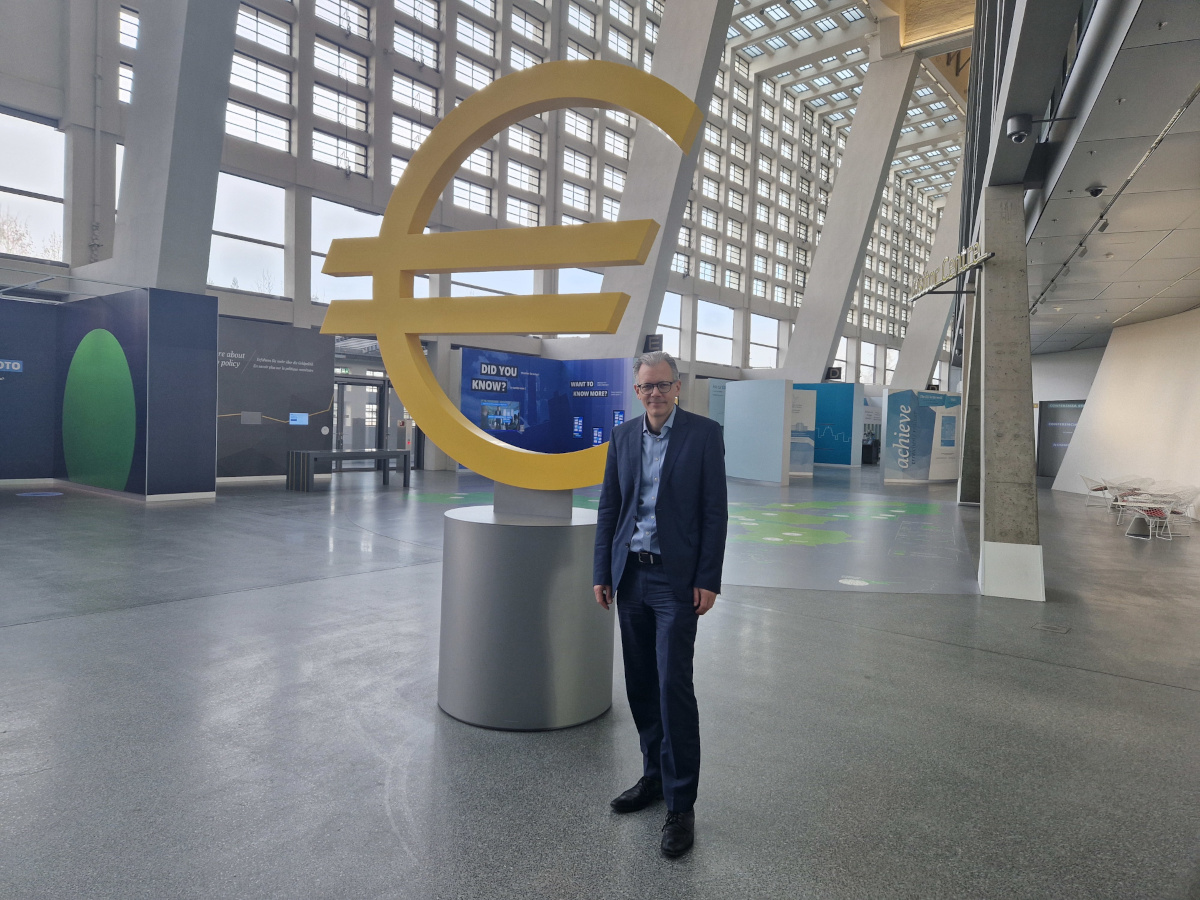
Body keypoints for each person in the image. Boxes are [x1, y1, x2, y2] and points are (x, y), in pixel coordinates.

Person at [592, 350, 728, 858]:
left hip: (675, 583)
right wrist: (602, 572)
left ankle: (681, 803)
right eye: (646, 386)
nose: (655, 394)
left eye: (663, 385)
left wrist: (708, 578)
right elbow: (611, 506)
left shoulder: (703, 435)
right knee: (642, 686)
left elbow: (715, 512)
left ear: (678, 387)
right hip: (631, 578)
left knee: (673, 687)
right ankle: (653, 777)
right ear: (637, 391)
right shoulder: (623, 437)